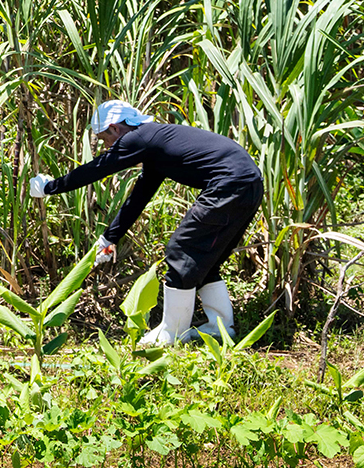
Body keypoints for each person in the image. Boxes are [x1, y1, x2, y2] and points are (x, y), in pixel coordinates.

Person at [27, 100, 264, 347]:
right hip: (248, 185)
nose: (106, 146)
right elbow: (138, 198)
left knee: (181, 250)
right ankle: (220, 329)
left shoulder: (139, 137)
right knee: (204, 258)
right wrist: (109, 239)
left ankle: (172, 333)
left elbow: (98, 169)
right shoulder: (154, 147)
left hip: (230, 185)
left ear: (115, 128)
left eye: (104, 139)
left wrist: (49, 187)